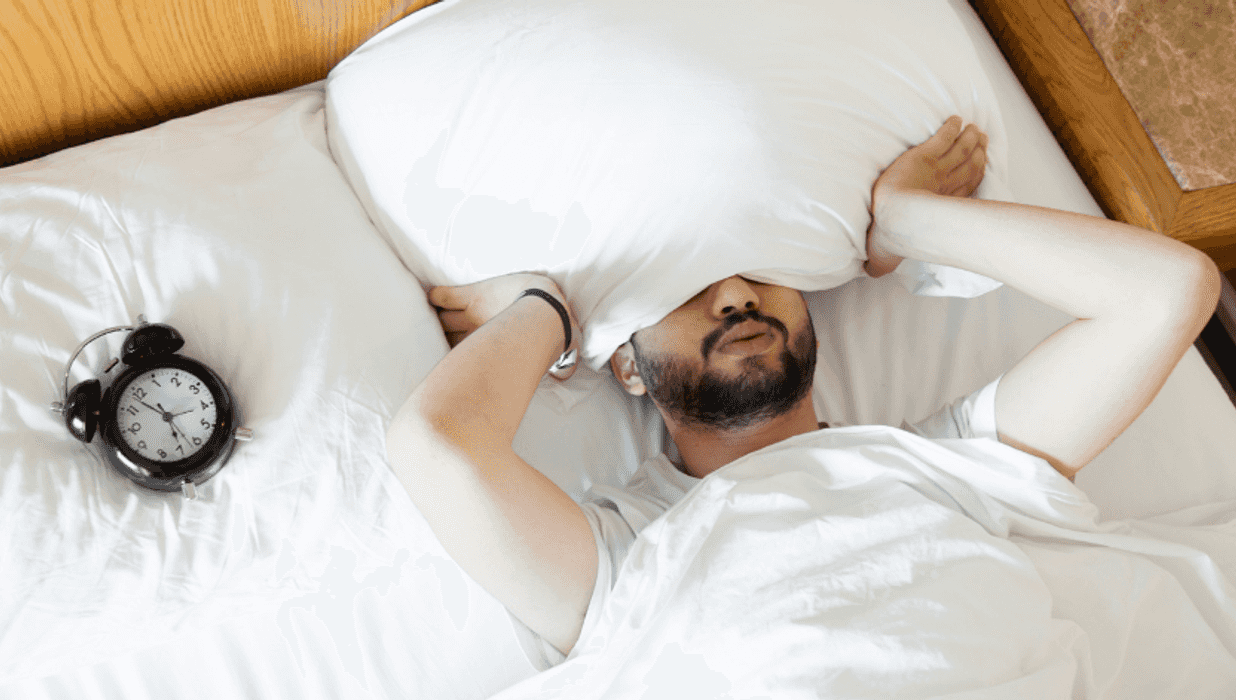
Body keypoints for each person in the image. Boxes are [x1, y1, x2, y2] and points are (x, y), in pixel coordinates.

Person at [385, 116, 1220, 669]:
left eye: (762, 276)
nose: (735, 297)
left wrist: (901, 219)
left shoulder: (948, 465)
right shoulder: (622, 561)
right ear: (626, 367)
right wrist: (555, 312)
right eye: (680, 295)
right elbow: (438, 445)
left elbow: (1169, 291)